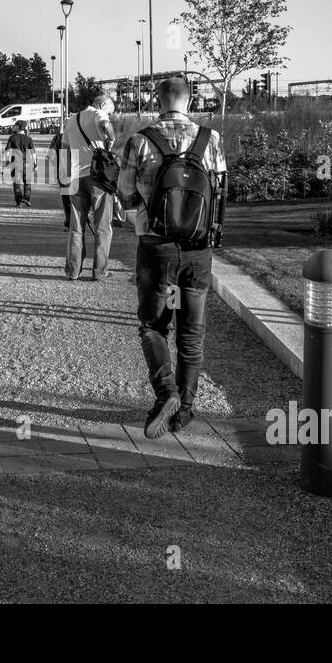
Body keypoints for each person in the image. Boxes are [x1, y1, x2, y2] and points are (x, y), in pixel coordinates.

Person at [117, 76, 228, 438]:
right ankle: (186, 410)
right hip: (198, 250)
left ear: (158, 100)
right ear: (189, 99)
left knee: (153, 325)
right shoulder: (211, 141)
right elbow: (222, 193)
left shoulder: (140, 140)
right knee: (192, 333)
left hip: (157, 247)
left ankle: (166, 392)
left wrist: (141, 214)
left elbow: (126, 193)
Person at [60, 95, 116, 281]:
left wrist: (66, 175)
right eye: (110, 111)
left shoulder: (72, 119)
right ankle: (100, 272)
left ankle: (73, 271)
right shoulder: (98, 113)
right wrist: (112, 137)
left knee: (76, 228)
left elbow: (65, 148)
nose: (109, 115)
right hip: (98, 178)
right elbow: (106, 126)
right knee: (103, 227)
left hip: (76, 179)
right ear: (101, 105)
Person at [47, 119, 73, 231]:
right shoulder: (81, 137)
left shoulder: (58, 138)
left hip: (64, 173)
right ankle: (81, 220)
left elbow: (51, 155)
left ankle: (70, 223)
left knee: (67, 199)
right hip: (81, 171)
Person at [5, 120, 36, 207]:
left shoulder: (12, 138)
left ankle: (18, 202)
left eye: (15, 125)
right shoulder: (29, 139)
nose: (14, 127)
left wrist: (7, 161)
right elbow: (33, 153)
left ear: (18, 127)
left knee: (17, 183)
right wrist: (35, 163)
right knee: (27, 182)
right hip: (27, 163)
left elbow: (7, 151)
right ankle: (27, 199)